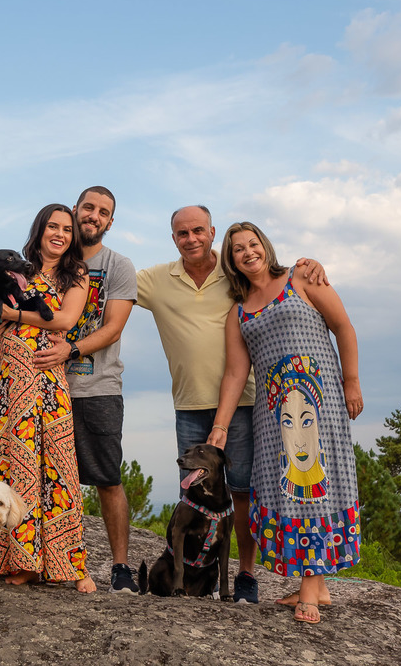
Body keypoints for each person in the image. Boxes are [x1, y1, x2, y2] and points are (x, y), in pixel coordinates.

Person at [135, 205, 326, 604]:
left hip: (244, 403)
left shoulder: (234, 271)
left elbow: (271, 275)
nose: (191, 239)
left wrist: (306, 265)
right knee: (193, 492)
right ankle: (190, 577)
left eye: (198, 231)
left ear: (212, 232)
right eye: (182, 233)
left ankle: (245, 576)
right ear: (174, 238)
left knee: (240, 492)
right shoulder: (155, 280)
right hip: (188, 405)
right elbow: (110, 290)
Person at [208, 221, 363, 625]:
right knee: (290, 492)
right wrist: (220, 428)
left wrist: (352, 382)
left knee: (314, 488)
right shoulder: (238, 313)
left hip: (319, 404)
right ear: (231, 260)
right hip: (274, 414)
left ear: (265, 246)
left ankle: (310, 591)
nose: (247, 252)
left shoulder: (303, 278)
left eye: (253, 243)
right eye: (237, 248)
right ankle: (318, 586)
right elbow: (235, 375)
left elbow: (343, 327)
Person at [0, 203, 96, 593]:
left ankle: (63, 562)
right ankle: (14, 557)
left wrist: (12, 316)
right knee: (11, 463)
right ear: (39, 230)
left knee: (53, 467)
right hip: (8, 377)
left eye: (66, 228)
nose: (59, 234)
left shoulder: (75, 272)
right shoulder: (18, 267)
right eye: (52, 227)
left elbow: (64, 321)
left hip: (45, 378)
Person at [31, 187, 139, 594]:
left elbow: (113, 326)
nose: (94, 215)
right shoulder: (48, 260)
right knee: (48, 477)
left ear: (111, 221)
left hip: (97, 386)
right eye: (89, 207)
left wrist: (70, 349)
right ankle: (46, 559)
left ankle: (120, 566)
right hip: (42, 382)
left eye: (104, 212)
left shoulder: (118, 266)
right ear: (75, 211)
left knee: (108, 477)